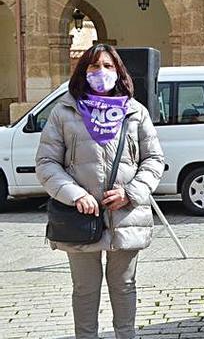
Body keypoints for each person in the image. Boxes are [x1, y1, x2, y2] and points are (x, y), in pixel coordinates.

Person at [35, 43, 165, 339]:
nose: (101, 72)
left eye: (108, 66)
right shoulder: (65, 111)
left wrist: (130, 192)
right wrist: (74, 194)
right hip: (79, 217)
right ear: (84, 71)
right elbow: (46, 163)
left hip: (126, 215)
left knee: (124, 286)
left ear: (119, 72)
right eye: (94, 66)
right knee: (84, 289)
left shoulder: (135, 112)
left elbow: (154, 159)